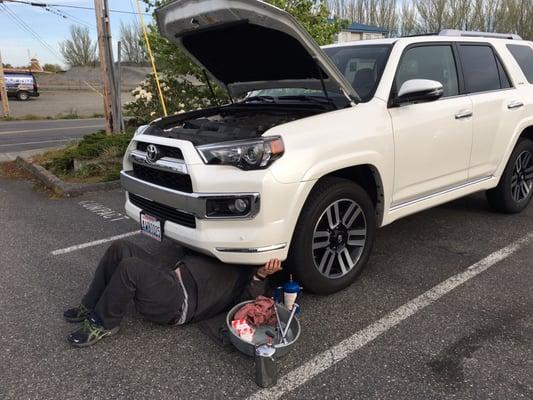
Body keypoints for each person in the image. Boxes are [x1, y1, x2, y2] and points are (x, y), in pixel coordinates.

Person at [64, 240, 282, 348]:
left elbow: (246, 307)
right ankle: (90, 305)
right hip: (171, 274)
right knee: (121, 247)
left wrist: (261, 274)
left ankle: (102, 324)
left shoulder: (251, 275)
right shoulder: (230, 241)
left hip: (180, 301)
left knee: (131, 268)